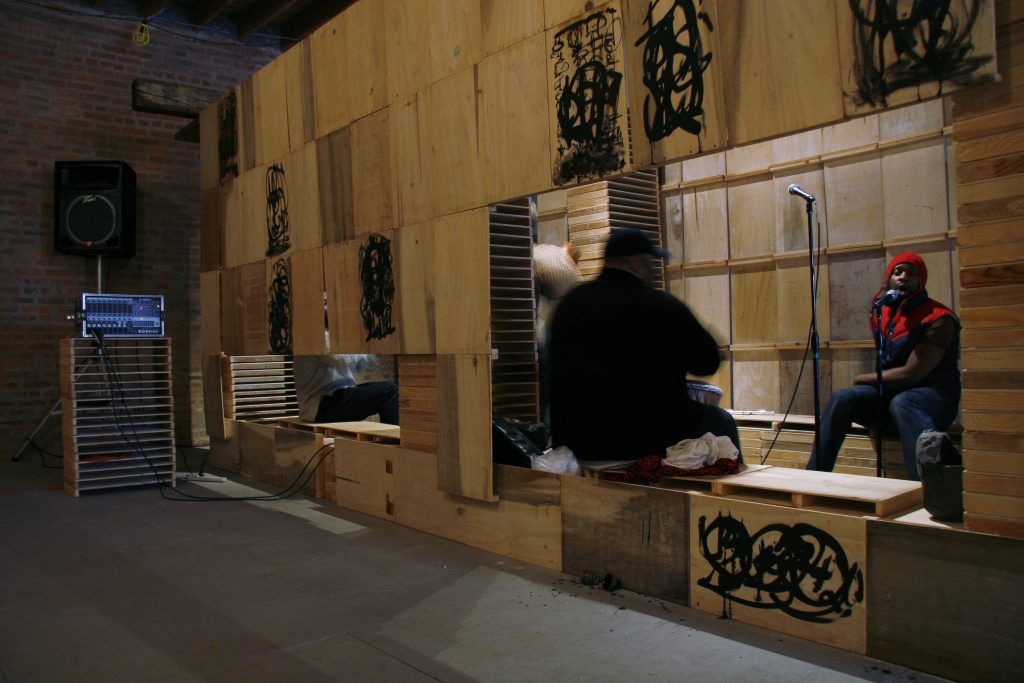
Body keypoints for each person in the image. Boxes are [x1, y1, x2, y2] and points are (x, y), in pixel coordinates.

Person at [548, 227, 740, 461]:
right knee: (721, 421)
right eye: (649, 262)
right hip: (645, 438)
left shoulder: (570, 304)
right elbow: (706, 363)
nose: (651, 269)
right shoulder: (660, 306)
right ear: (637, 265)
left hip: (576, 438)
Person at [807, 252, 960, 480]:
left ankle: (926, 488)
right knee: (843, 398)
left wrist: (862, 379)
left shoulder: (939, 318)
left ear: (921, 282)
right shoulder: (884, 312)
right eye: (898, 272)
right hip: (892, 402)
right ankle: (813, 478)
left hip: (933, 401)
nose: (903, 277)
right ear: (889, 278)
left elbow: (912, 374)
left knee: (904, 401)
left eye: (911, 274)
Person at [293, 354, 399, 425]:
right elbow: (341, 359)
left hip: (332, 398)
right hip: (321, 405)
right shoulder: (315, 336)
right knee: (389, 391)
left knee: (388, 388)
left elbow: (354, 365)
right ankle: (392, 444)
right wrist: (375, 352)